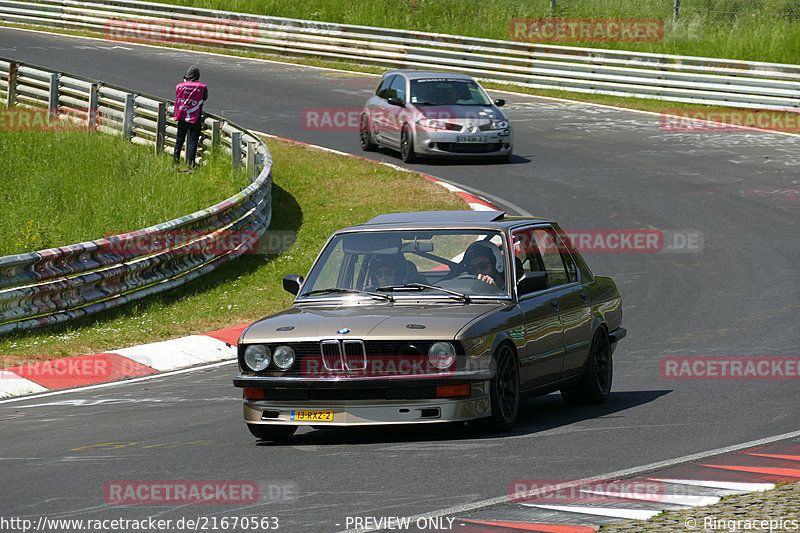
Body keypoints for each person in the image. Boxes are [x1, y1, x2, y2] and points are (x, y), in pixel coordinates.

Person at [173, 65, 208, 170]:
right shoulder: (202, 87)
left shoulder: (179, 86)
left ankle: (175, 162)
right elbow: (204, 97)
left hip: (182, 116)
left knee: (179, 140)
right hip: (195, 117)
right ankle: (191, 165)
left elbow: (177, 96)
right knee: (193, 141)